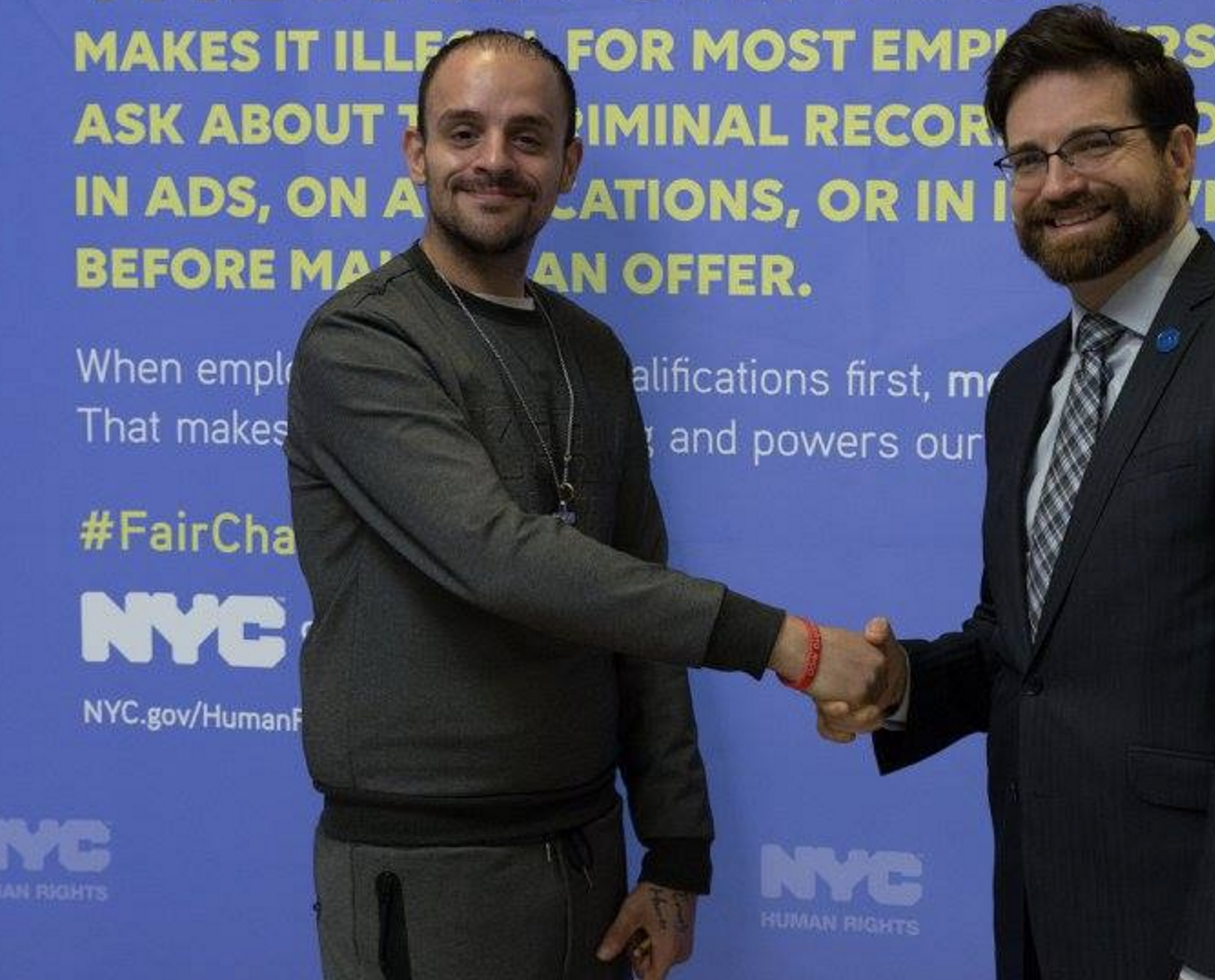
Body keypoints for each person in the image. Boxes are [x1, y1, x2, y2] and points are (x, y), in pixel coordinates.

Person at [284, 30, 900, 980]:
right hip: (429, 870)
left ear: (568, 165)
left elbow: (637, 597)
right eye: (464, 132)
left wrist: (677, 853)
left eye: (529, 138)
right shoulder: (361, 341)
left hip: (589, 854)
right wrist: (785, 642)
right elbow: (500, 556)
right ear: (417, 153)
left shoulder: (593, 351)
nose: (495, 160)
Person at [818, 7, 1215, 979]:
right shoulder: (1019, 386)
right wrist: (900, 687)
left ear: (1178, 154)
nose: (1057, 184)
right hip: (1050, 923)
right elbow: (1021, 646)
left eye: (1091, 144)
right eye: (1026, 159)